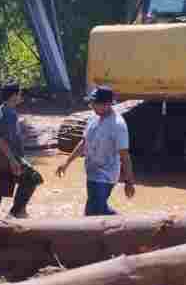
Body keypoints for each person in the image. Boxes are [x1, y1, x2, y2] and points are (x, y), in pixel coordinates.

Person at [55, 86, 136, 216]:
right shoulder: (93, 118)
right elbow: (84, 142)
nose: (91, 106)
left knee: (98, 209)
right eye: (91, 103)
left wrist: (129, 182)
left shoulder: (118, 125)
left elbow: (125, 156)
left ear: (107, 104)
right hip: (92, 171)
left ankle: (126, 225)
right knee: (92, 211)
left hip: (106, 174)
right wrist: (66, 162)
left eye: (94, 103)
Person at [0, 82, 42, 218]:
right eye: (20, 93)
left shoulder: (3, 109)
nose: (22, 96)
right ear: (14, 95)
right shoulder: (8, 114)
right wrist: (13, 161)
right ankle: (16, 212)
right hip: (9, 157)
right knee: (33, 178)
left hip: (1, 157)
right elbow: (2, 141)